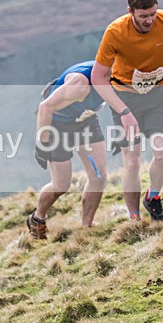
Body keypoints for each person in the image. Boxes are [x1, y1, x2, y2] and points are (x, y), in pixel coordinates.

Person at [91, 0, 163, 223]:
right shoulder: (115, 31)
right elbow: (98, 77)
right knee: (133, 160)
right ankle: (134, 217)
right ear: (130, 12)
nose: (149, 20)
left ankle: (152, 197)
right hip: (125, 97)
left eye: (153, 14)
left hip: (157, 95)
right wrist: (123, 111)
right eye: (143, 16)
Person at [28, 60, 108, 238]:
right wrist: (43, 144)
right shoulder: (81, 84)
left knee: (98, 176)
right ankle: (37, 218)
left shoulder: (123, 77)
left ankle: (86, 227)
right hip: (57, 126)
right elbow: (45, 107)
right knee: (61, 186)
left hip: (85, 122)